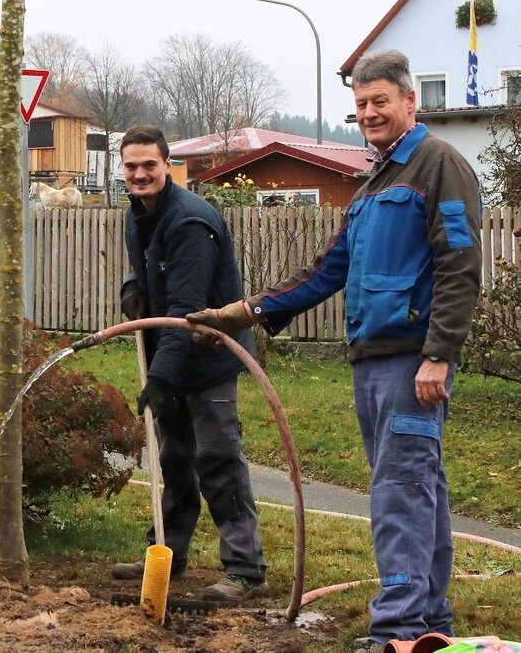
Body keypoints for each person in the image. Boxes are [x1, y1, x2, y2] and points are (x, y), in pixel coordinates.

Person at [188, 49, 482, 651]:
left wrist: (440, 353)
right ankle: (428, 622)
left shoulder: (438, 166)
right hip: (373, 360)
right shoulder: (375, 182)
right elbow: (327, 271)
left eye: (380, 102)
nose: (370, 113)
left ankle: (396, 627)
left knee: (400, 490)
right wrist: (246, 311)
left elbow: (460, 264)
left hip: (411, 359)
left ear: (409, 102)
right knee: (417, 485)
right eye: (361, 105)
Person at [109, 125, 269, 603]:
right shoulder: (137, 214)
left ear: (167, 167)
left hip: (208, 358)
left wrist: (158, 378)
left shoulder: (190, 223)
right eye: (131, 166)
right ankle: (167, 553)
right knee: (176, 461)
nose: (139, 175)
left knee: (217, 460)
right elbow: (152, 271)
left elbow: (185, 311)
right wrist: (132, 286)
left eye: (148, 166)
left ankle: (245, 568)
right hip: (170, 355)